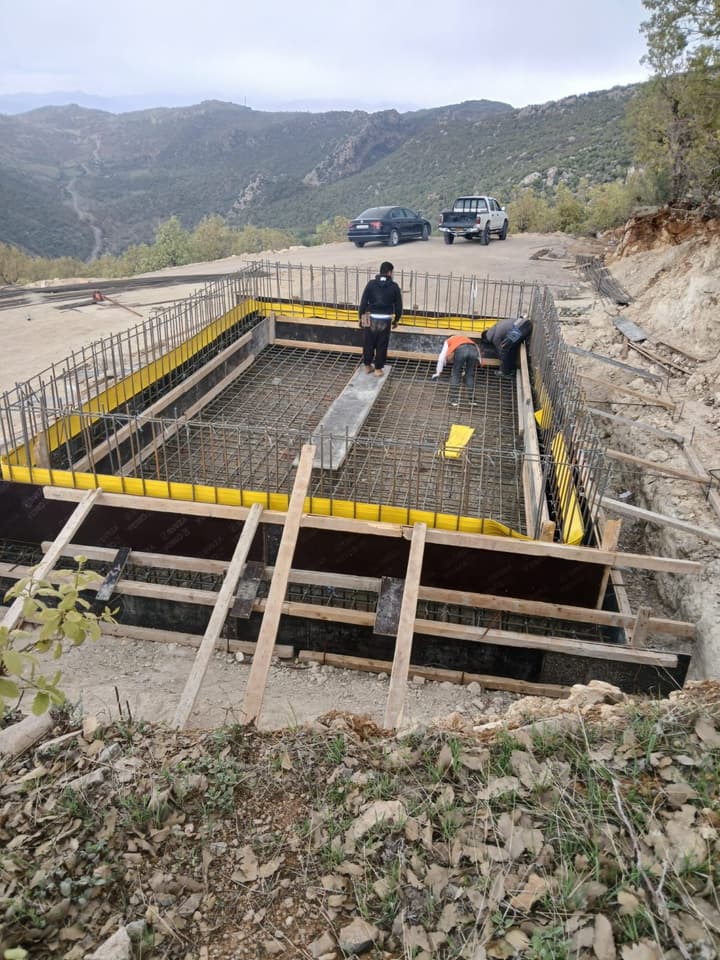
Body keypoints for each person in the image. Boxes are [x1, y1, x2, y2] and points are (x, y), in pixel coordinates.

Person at [358, 261, 403, 376]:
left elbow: (363, 302)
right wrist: (396, 319)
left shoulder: (371, 284)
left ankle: (367, 366)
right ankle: (378, 369)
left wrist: (360, 318)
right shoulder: (394, 286)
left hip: (369, 316)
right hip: (385, 318)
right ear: (389, 272)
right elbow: (398, 306)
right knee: (381, 344)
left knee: (368, 342)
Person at [431, 334, 482, 407]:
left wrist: (438, 372)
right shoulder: (466, 338)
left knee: (455, 374)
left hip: (461, 350)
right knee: (469, 375)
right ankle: (472, 400)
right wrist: (480, 362)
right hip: (474, 350)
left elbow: (442, 356)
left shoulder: (449, 340)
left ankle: (454, 400)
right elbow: (475, 349)